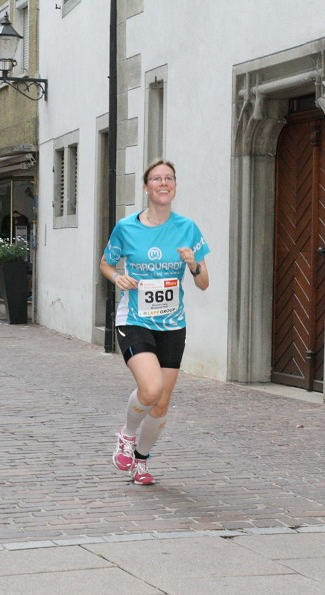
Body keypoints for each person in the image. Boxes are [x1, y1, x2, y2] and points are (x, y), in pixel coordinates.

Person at [98, 159, 210, 486]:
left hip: (173, 324)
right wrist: (117, 277)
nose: (164, 183)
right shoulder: (126, 227)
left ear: (175, 185)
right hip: (134, 318)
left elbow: (203, 283)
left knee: (161, 403)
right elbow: (106, 264)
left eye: (169, 178)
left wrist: (192, 264)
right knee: (150, 388)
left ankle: (141, 462)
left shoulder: (188, 228)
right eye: (157, 178)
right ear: (146, 187)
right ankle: (127, 435)